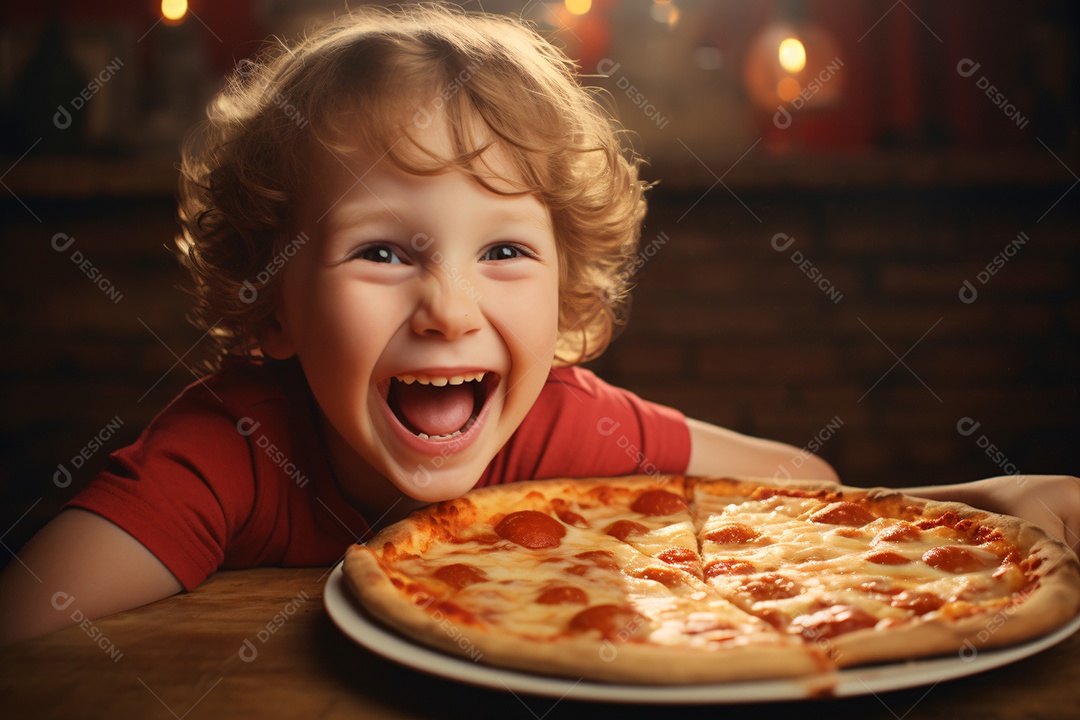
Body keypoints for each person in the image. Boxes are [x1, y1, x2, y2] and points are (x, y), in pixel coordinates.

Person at [0, 4, 1076, 644]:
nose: (451, 307)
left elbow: (799, 488)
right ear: (270, 303)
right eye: (383, 251)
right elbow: (31, 630)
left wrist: (984, 500)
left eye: (504, 251)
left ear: (567, 302)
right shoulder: (228, 451)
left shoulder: (563, 427)